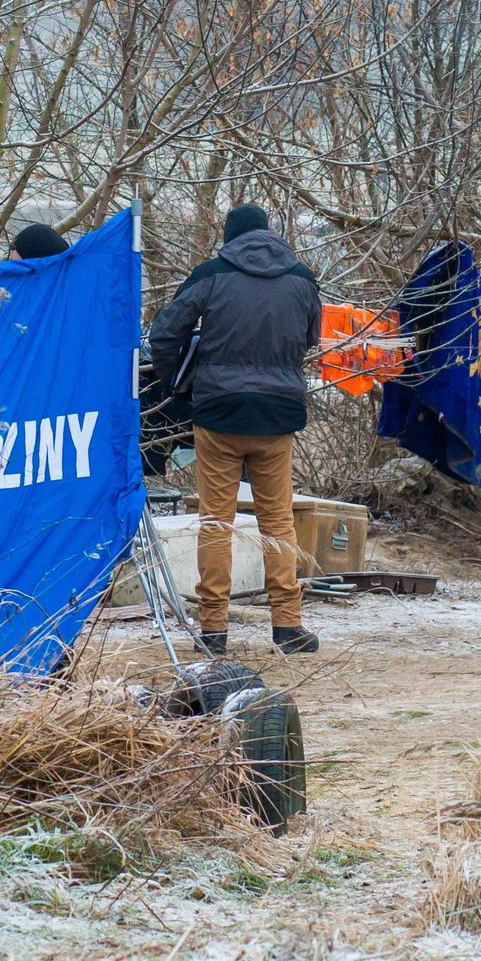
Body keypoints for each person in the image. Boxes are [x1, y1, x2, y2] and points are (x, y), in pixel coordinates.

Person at [149, 204, 322, 655]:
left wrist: (178, 386)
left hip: (219, 413)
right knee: (278, 520)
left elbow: (164, 334)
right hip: (277, 415)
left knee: (215, 523)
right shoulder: (302, 279)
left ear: (230, 237)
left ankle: (213, 631)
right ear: (269, 234)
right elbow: (310, 339)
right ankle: (287, 627)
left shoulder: (211, 274)